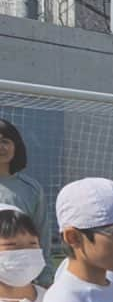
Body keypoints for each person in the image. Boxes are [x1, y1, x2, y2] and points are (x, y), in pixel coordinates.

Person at [0, 119, 52, 286]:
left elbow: (42, 232)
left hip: (19, 274)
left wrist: (45, 276)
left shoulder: (31, 188)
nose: (1, 147)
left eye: (5, 141)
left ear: (16, 146)